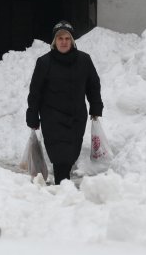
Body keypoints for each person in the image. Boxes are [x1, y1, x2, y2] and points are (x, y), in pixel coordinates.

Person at [26, 21, 103, 184]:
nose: (64, 42)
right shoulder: (44, 62)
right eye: (60, 38)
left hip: (76, 117)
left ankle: (63, 182)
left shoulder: (84, 60)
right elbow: (35, 92)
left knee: (71, 154)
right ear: (54, 41)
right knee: (60, 156)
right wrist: (32, 115)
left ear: (72, 41)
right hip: (52, 117)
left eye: (67, 38)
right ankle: (62, 186)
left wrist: (96, 107)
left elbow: (93, 85)